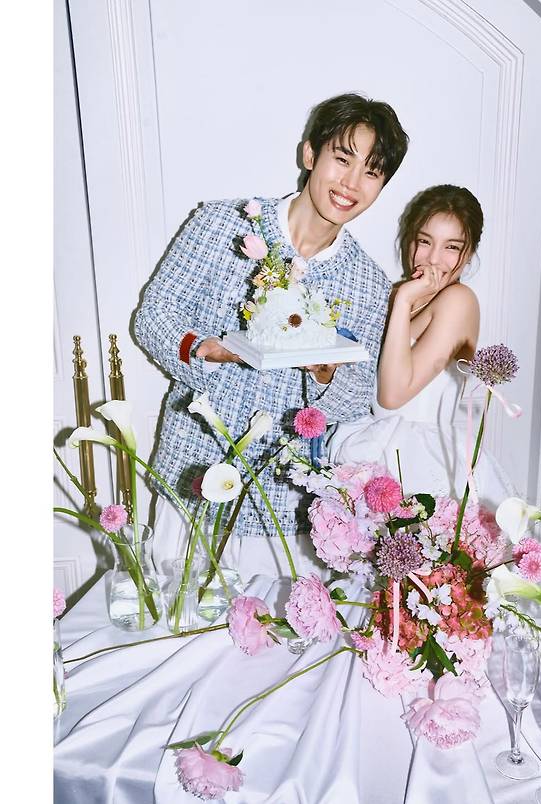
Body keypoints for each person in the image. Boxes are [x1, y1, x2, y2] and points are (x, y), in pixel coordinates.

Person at [134, 93, 409, 577]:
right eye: (342, 159)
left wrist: (326, 376)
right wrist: (202, 351)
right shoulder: (223, 223)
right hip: (191, 477)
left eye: (371, 172)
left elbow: (356, 399)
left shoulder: (368, 285)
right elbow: (154, 315)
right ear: (310, 154)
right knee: (177, 615)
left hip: (281, 508)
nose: (351, 183)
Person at [327, 184, 514, 509]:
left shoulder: (458, 301)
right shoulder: (403, 295)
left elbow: (392, 397)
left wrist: (403, 300)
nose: (433, 259)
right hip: (372, 443)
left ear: (469, 253)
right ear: (410, 240)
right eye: (425, 241)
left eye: (452, 247)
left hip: (422, 460)